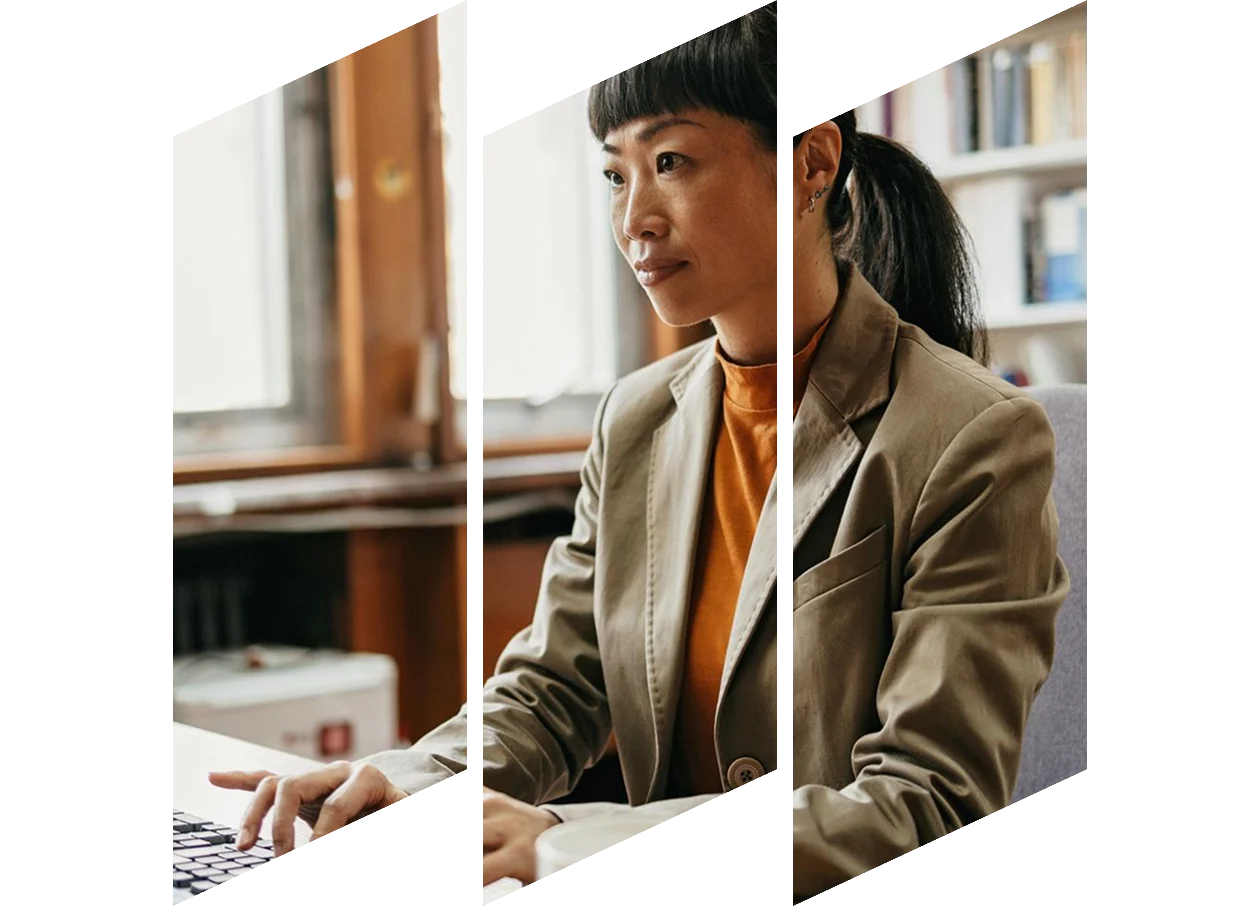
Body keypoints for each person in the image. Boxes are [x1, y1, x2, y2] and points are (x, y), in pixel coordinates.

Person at [208, 4, 1070, 898]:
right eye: (615, 176)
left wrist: (567, 840)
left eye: (671, 162)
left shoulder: (972, 435)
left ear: (813, 163)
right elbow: (552, 689)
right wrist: (410, 780)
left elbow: (927, 803)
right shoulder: (637, 418)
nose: (635, 219)